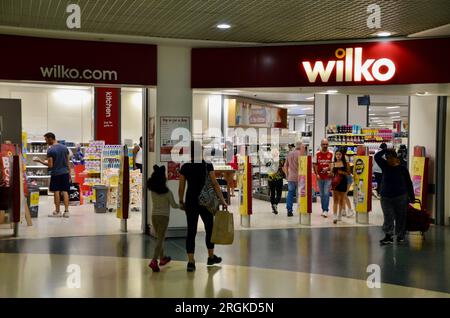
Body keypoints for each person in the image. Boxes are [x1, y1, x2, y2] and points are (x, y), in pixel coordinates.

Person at [178, 141, 228, 272]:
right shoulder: (208, 166)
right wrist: (222, 200)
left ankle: (191, 262)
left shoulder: (185, 167)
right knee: (209, 229)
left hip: (191, 202)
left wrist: (180, 201)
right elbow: (215, 184)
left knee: (191, 231)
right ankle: (211, 257)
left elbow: (182, 186)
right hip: (206, 203)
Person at [375, 148, 415, 245]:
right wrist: (385, 150)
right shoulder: (385, 166)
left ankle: (400, 236)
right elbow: (376, 157)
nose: (389, 160)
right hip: (386, 197)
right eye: (387, 158)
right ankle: (388, 236)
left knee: (400, 216)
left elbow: (409, 183)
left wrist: (412, 196)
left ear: (396, 158)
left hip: (401, 196)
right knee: (388, 216)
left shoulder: (402, 169)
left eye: (391, 158)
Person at [147, 165, 179, 272]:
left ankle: (163, 258)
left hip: (154, 216)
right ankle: (154, 261)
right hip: (164, 218)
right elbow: (174, 205)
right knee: (160, 240)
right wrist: (182, 206)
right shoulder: (168, 193)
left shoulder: (152, 191)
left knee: (158, 238)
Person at [34, 132, 71, 218]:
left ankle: (57, 211)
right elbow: (68, 162)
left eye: (46, 139)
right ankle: (66, 212)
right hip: (65, 173)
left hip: (56, 174)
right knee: (65, 192)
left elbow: (50, 165)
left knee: (56, 192)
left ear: (50, 138)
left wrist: (39, 161)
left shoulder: (50, 150)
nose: (46, 141)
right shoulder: (65, 148)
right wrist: (69, 174)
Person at [283, 141, 305, 217]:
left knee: (290, 193)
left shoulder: (289, 153)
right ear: (301, 147)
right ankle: (301, 209)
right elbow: (303, 166)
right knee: (300, 194)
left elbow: (285, 165)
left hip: (290, 177)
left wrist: (287, 174)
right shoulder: (301, 154)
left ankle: (289, 210)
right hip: (299, 177)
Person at [313, 139, 334, 218]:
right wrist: (317, 174)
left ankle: (326, 210)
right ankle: (323, 209)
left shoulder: (331, 153)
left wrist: (329, 170)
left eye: (326, 144)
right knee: (321, 194)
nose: (325, 146)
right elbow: (315, 165)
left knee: (326, 193)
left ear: (328, 144)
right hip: (319, 177)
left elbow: (332, 164)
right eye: (323, 144)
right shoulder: (317, 154)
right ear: (321, 145)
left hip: (328, 177)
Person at [330, 149, 350, 224]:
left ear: (342, 155)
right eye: (337, 154)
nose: (338, 156)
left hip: (343, 182)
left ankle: (339, 215)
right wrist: (330, 172)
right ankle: (334, 216)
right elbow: (332, 172)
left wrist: (342, 172)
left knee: (341, 199)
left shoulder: (346, 163)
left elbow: (348, 173)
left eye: (339, 154)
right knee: (335, 199)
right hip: (335, 182)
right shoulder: (334, 163)